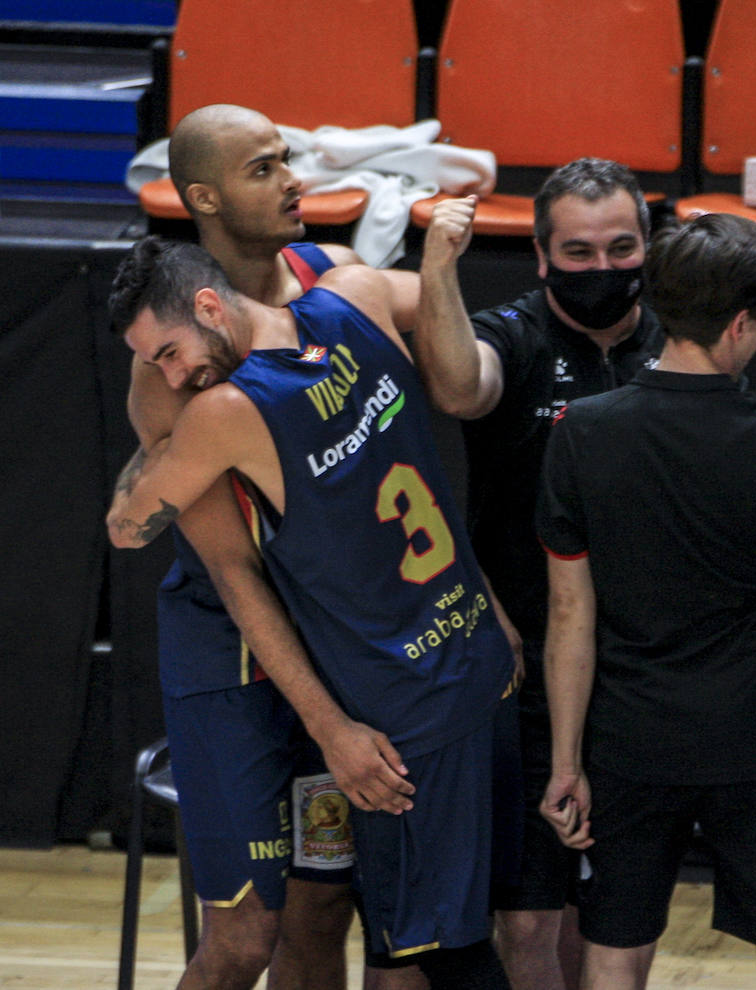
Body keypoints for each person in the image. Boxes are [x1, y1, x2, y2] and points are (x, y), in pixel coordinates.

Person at [104, 204, 515, 988]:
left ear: (210, 305)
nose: (169, 375)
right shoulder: (353, 293)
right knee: (436, 937)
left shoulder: (223, 412)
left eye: (167, 352)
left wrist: (160, 436)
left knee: (447, 953)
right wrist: (437, 269)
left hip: (404, 698)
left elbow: (128, 527)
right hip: (471, 655)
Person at [119, 103, 426, 990]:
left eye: (287, 158)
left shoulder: (328, 273)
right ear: (206, 198)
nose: (296, 179)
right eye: (265, 168)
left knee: (323, 904)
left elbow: (462, 354)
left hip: (337, 636)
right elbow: (233, 567)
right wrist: (330, 724)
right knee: (246, 938)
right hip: (236, 649)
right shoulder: (171, 360)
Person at [534, 213, 756, 990]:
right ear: (742, 323)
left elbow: (570, 616)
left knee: (614, 948)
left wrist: (565, 763)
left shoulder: (581, 432)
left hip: (630, 738)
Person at [428, 157, 663, 990]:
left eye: (621, 248)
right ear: (540, 257)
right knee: (527, 919)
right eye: (579, 253)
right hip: (524, 663)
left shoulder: (681, 345)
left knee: (610, 922)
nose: (603, 270)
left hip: (640, 672)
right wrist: (437, 271)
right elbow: (459, 390)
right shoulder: (512, 334)